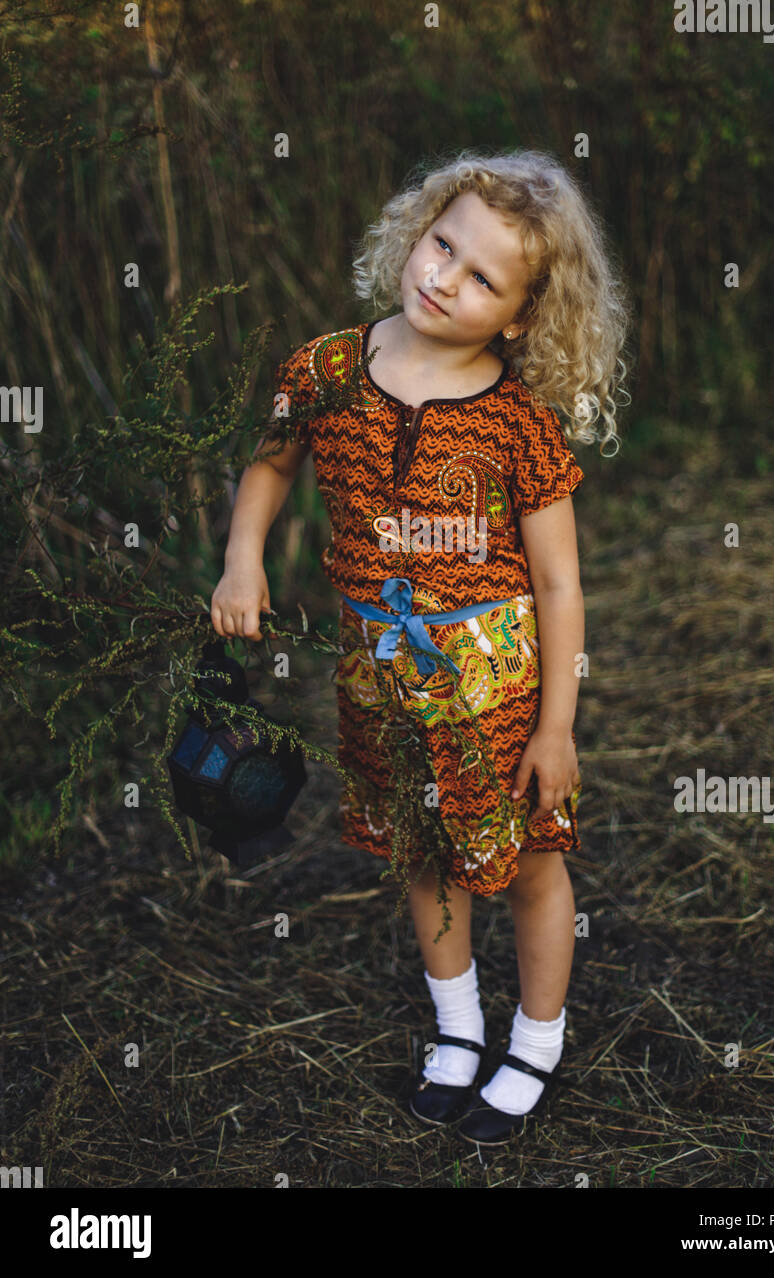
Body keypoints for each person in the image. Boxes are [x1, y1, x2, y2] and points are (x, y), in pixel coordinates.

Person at [211, 148, 630, 1146]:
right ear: (416, 227)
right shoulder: (325, 370)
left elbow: (560, 581)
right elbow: (269, 466)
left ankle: (534, 1038)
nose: (442, 276)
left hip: (498, 692)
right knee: (421, 850)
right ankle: (456, 1028)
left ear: (519, 316)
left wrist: (557, 727)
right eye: (441, 244)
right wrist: (241, 558)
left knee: (526, 859)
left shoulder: (519, 425)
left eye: (481, 275)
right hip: (379, 682)